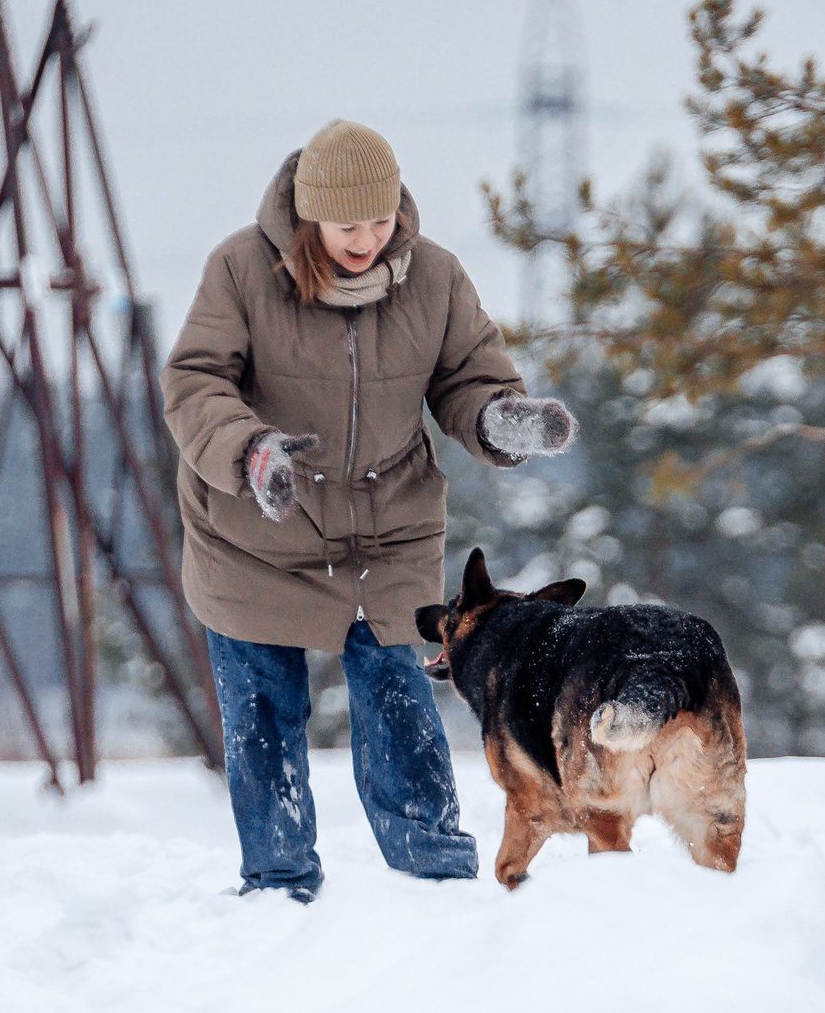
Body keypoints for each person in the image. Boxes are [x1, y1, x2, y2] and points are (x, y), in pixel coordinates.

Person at [163, 120, 578, 900]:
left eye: (381, 221)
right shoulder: (241, 271)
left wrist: (500, 419)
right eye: (348, 225)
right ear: (310, 215)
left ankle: (434, 874)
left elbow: (467, 379)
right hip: (258, 529)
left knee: (397, 689)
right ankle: (279, 882)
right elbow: (194, 383)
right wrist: (253, 453)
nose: (367, 239)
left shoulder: (435, 278)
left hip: (386, 529)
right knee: (263, 708)